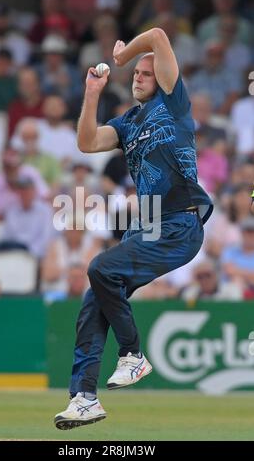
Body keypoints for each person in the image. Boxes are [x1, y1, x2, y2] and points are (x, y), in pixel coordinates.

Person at [54, 27, 213, 430]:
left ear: (160, 77)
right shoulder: (128, 122)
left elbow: (159, 35)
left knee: (100, 268)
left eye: (146, 73)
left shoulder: (174, 103)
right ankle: (84, 398)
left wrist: (125, 55)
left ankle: (133, 354)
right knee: (94, 301)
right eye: (136, 74)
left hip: (179, 221)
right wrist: (92, 94)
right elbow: (87, 143)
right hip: (147, 226)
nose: (138, 78)